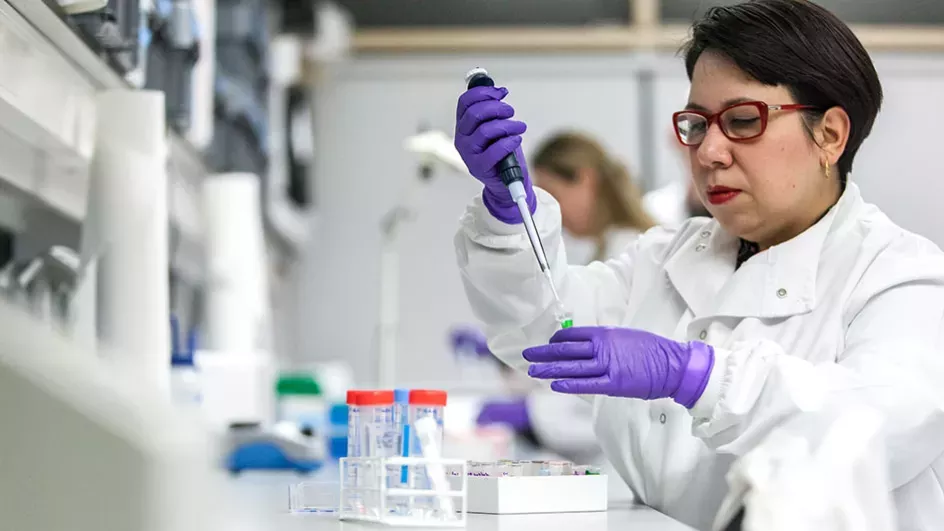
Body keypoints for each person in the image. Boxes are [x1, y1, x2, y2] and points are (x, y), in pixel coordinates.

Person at [451, 1, 944, 530]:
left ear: (829, 135)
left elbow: (872, 428)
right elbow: (547, 332)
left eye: (741, 121)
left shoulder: (900, 277)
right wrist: (509, 211)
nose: (709, 151)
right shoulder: (667, 255)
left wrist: (696, 375)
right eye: (696, 124)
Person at [472, 131, 655, 467]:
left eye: (554, 195)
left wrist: (533, 414)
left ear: (585, 180)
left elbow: (612, 379)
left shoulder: (630, 250)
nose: (552, 211)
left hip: (624, 460)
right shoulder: (607, 248)